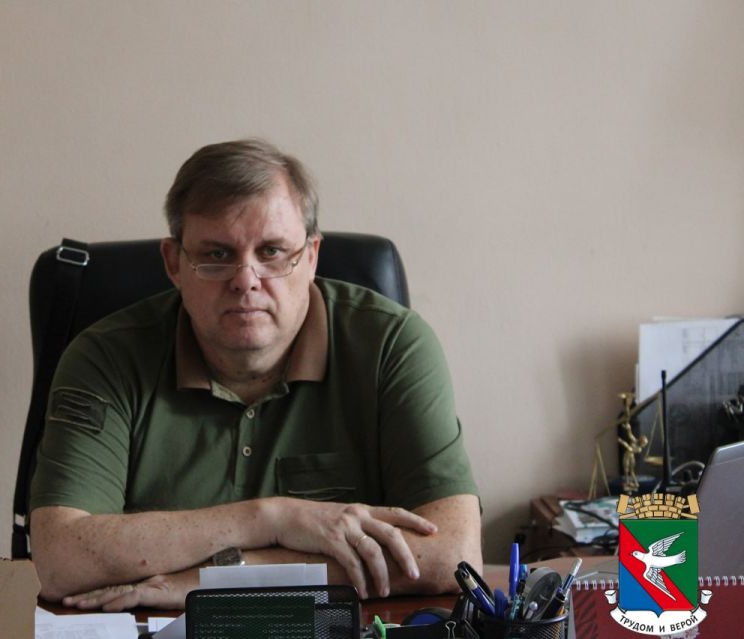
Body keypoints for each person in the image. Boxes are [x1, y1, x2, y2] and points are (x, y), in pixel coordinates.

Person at [28, 139, 482, 611]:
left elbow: (453, 554)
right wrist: (273, 518)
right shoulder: (104, 357)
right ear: (174, 263)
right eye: (217, 254)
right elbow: (60, 561)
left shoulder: (393, 345)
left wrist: (224, 577)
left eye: (272, 251)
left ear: (311, 257)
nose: (246, 279)